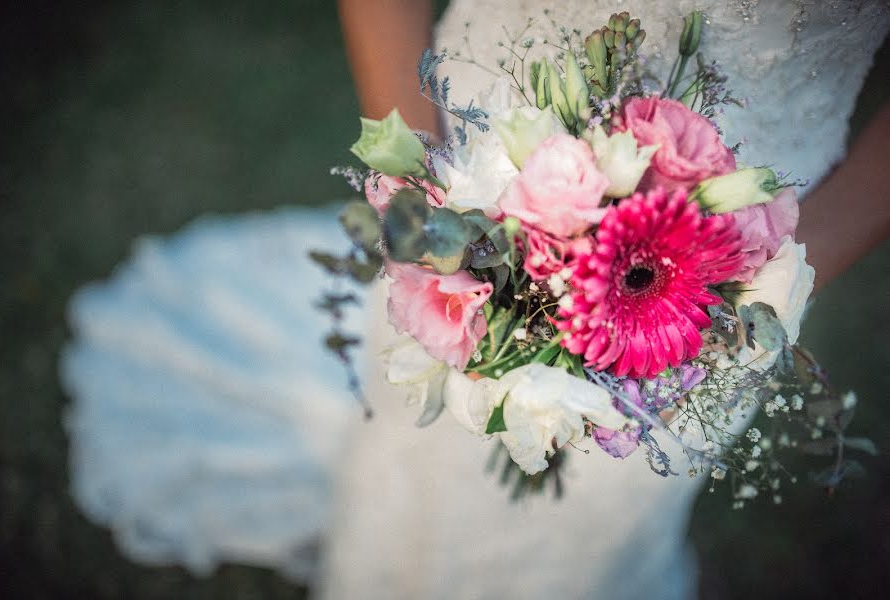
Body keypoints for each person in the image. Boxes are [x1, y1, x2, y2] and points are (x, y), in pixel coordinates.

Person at [61, 1, 889, 598]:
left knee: (610, 496)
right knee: (424, 444)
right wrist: (420, 198)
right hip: (482, 149)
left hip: (730, 260)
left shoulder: (746, 281)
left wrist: (776, 280)